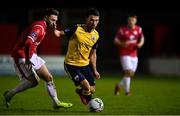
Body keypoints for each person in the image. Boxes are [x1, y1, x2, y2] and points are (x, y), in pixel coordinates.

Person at [3, 8, 73, 109]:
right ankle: (10, 94)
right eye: (52, 20)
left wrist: (33, 55)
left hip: (31, 55)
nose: (54, 22)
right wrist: (27, 59)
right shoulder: (39, 27)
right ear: (46, 18)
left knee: (49, 77)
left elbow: (33, 44)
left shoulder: (44, 27)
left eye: (56, 20)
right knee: (34, 81)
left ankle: (56, 102)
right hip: (22, 55)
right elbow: (28, 43)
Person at [54, 8, 101, 105]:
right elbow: (60, 33)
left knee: (92, 89)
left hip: (85, 65)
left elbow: (93, 54)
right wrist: (54, 29)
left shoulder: (96, 35)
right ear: (86, 19)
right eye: (91, 20)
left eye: (96, 20)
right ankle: (92, 106)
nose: (94, 23)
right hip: (71, 65)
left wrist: (95, 70)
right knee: (87, 87)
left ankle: (80, 92)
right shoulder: (76, 29)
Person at [114, 14, 145, 96]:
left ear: (135, 21)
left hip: (134, 54)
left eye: (133, 20)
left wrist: (140, 44)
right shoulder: (122, 30)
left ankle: (118, 85)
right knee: (128, 72)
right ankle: (127, 92)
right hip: (124, 53)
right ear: (127, 21)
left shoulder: (139, 29)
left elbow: (142, 38)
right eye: (130, 20)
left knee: (131, 74)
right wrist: (122, 43)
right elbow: (115, 40)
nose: (131, 22)